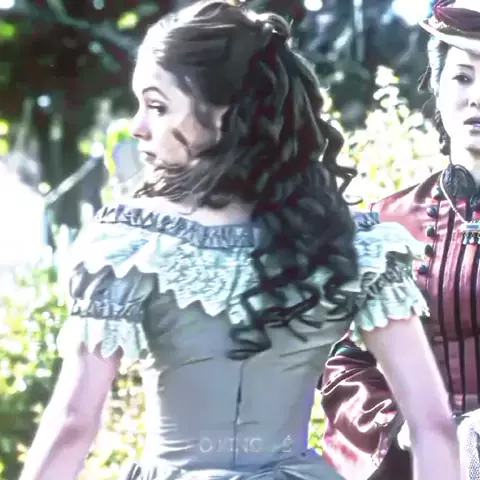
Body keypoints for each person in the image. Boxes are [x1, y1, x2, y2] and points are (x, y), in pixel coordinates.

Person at [18, 1, 459, 479]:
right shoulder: (353, 243)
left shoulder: (132, 244)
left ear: (226, 115)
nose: (137, 126)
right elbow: (433, 425)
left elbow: (74, 424)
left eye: (158, 106)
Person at [319, 0, 480, 479]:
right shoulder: (388, 225)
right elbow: (345, 363)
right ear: (436, 86)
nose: (477, 97)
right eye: (463, 77)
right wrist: (407, 426)